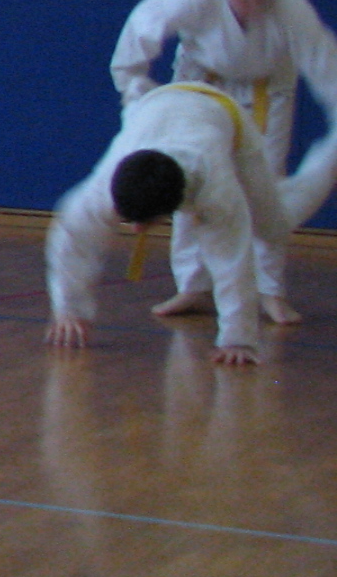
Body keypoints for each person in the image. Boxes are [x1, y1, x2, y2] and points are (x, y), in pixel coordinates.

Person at [111, 0, 337, 327]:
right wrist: (135, 97)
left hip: (266, 91)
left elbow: (325, 66)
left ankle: (270, 289)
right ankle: (193, 286)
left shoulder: (290, 6)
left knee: (266, 188)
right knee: (184, 176)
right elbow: (140, 29)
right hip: (201, 82)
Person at [45, 82, 301, 366]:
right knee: (83, 223)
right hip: (157, 105)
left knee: (269, 223)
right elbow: (72, 239)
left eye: (144, 222)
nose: (136, 230)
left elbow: (232, 259)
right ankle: (195, 291)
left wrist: (237, 338)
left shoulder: (217, 190)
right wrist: (70, 309)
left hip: (225, 113)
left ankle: (272, 292)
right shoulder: (107, 185)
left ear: (172, 209)